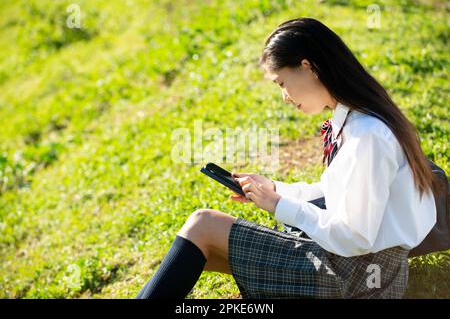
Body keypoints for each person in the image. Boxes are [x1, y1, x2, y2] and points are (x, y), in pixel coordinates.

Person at [135, 17, 441, 299]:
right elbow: (333, 194)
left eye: (282, 83)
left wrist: (279, 206)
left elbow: (355, 235)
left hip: (360, 278)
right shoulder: (357, 121)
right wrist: (274, 189)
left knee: (203, 225)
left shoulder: (368, 135)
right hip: (355, 266)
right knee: (206, 249)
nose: (285, 96)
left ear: (308, 66)